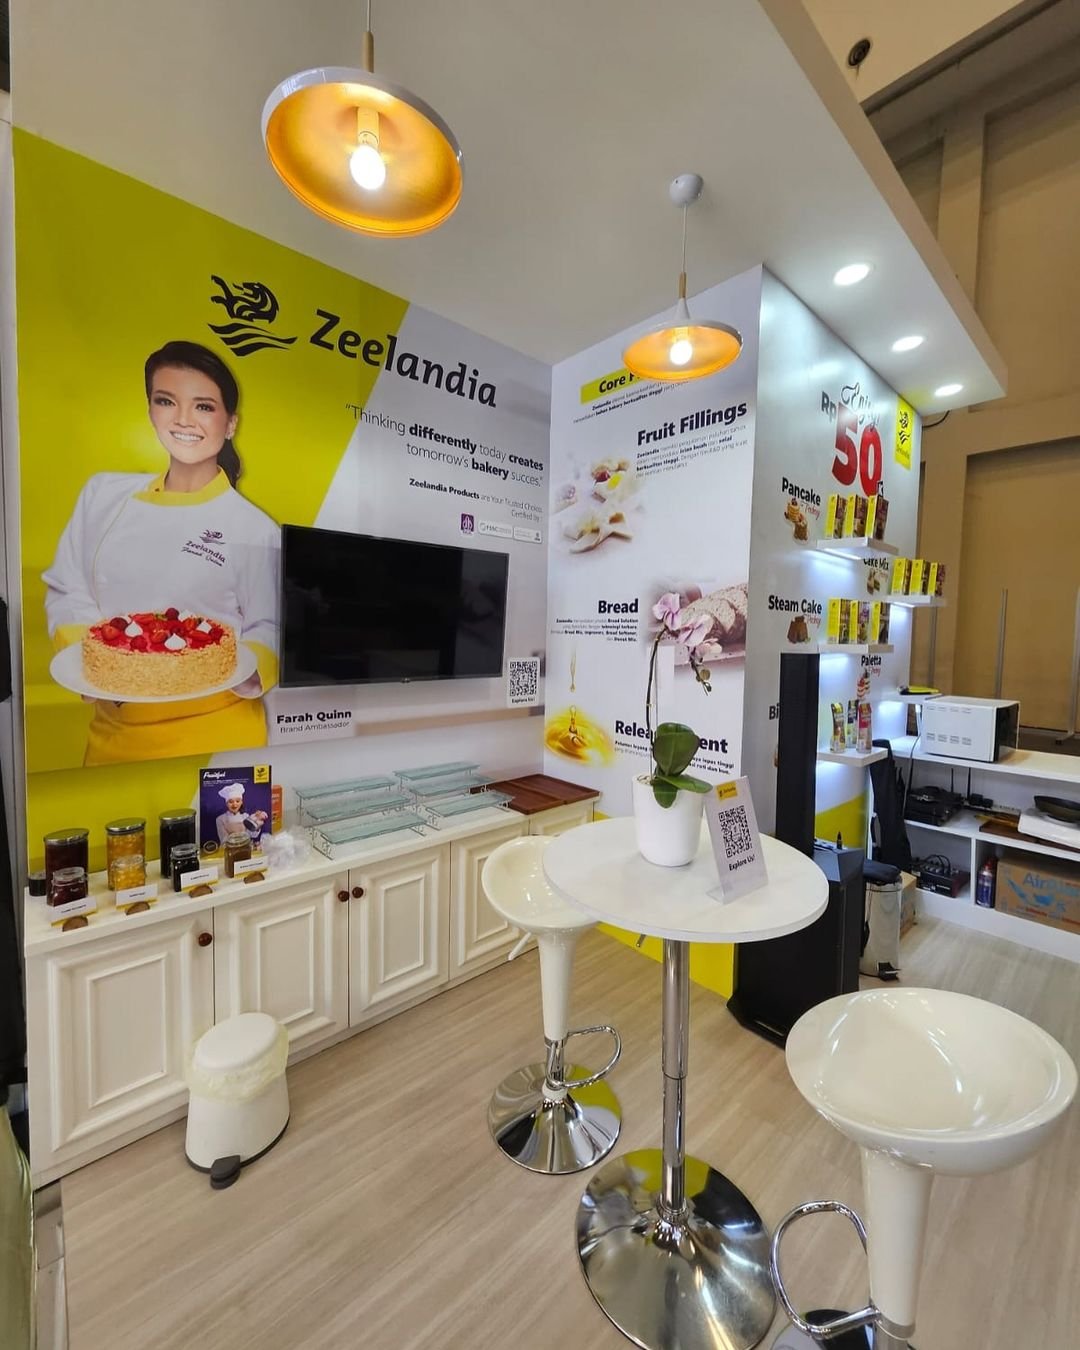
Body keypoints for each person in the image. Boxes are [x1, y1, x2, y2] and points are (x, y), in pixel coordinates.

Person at [43, 340, 280, 764]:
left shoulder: (254, 528)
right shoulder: (103, 494)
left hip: (219, 732)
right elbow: (67, 586)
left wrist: (239, 670)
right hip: (115, 731)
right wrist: (95, 660)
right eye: (166, 401)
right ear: (151, 410)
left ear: (230, 423)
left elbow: (269, 625)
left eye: (204, 406)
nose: (183, 419)